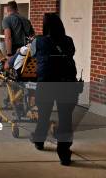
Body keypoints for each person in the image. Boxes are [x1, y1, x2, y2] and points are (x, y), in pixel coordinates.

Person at [31, 13, 79, 166]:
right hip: (67, 84)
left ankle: (39, 140)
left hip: (46, 84)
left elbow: (33, 55)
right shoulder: (68, 41)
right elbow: (71, 54)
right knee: (66, 119)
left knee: (44, 114)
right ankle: (64, 155)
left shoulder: (39, 41)